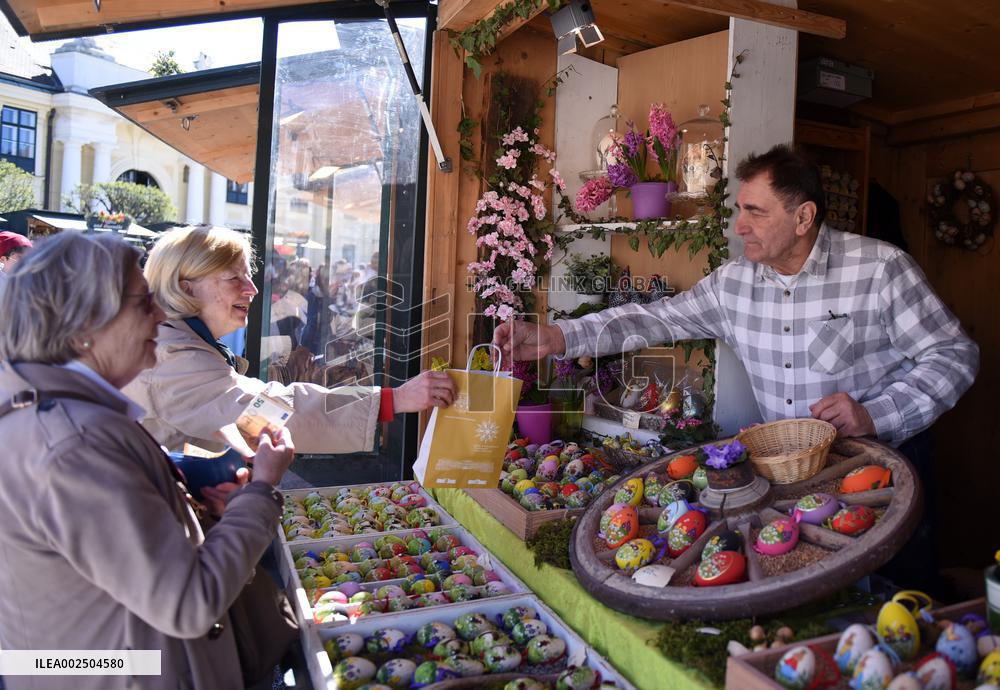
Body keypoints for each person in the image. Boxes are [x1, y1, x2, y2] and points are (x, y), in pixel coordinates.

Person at [493, 144, 979, 447]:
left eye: (755, 212)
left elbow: (953, 356)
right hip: (789, 473)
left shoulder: (879, 268)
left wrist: (876, 414)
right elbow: (653, 319)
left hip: (882, 463)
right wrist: (558, 337)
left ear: (804, 218)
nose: (738, 226)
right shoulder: (734, 283)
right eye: (738, 210)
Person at [0, 232, 296, 690]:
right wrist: (259, 494)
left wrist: (201, 516)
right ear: (82, 328)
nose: (160, 314)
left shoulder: (55, 416)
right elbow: (187, 602)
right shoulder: (75, 443)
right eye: (142, 304)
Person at [124, 225, 455, 455]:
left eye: (248, 275)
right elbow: (267, 413)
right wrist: (393, 399)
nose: (252, 289)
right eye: (233, 278)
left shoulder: (169, 341)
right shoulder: (171, 356)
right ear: (186, 287)